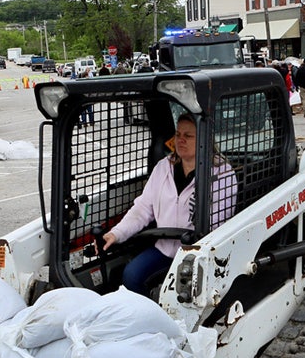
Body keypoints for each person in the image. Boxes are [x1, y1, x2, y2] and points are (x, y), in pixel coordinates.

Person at [101, 113, 238, 296]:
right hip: (164, 249)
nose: (180, 140)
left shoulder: (222, 173)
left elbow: (218, 222)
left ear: (205, 138)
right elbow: (143, 208)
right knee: (131, 276)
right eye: (178, 134)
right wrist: (116, 233)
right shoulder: (163, 167)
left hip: (197, 255)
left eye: (188, 136)